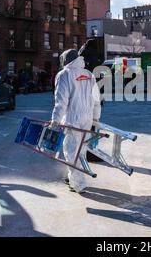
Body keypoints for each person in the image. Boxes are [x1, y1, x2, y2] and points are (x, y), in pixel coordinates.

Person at [50, 49, 101, 194]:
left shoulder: (64, 74)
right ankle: (72, 177)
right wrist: (96, 118)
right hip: (87, 118)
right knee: (81, 149)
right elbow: (96, 99)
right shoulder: (88, 74)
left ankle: (79, 185)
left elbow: (61, 101)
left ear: (65, 61)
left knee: (72, 151)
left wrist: (56, 119)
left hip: (73, 118)